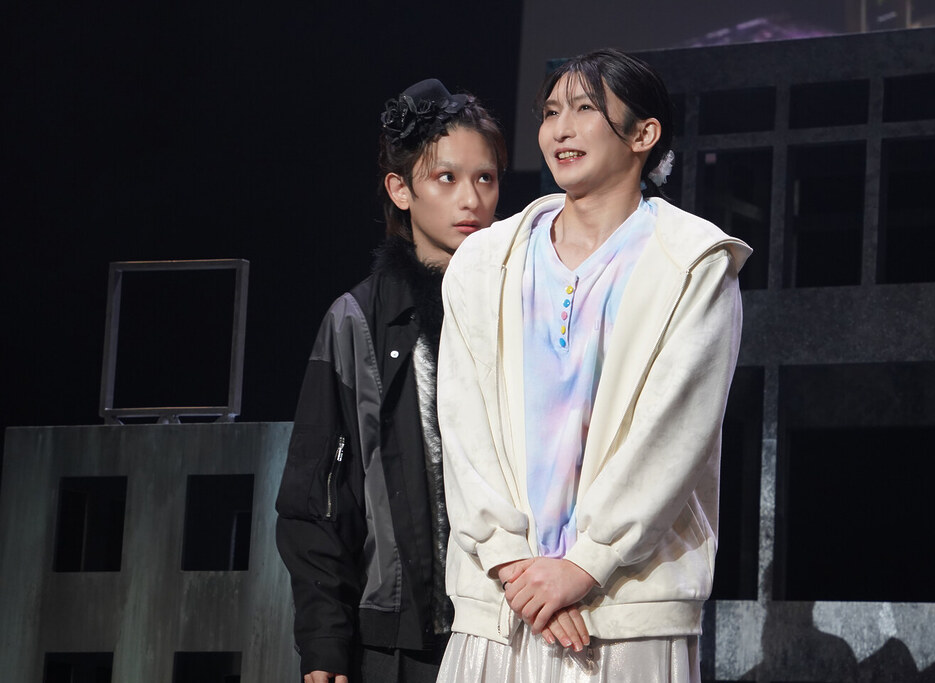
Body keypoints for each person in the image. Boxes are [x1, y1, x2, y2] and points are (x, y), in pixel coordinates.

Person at [435, 49, 751, 681]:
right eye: (551, 112)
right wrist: (516, 568)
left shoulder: (693, 263)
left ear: (643, 134)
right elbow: (463, 425)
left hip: (624, 608)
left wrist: (585, 564)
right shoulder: (484, 261)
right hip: (502, 604)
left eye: (584, 109)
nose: (561, 129)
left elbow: (674, 435)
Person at [276, 78, 506, 683]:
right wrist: (324, 642)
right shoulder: (356, 321)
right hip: (396, 642)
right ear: (400, 190)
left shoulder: (522, 310)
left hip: (512, 628)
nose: (471, 200)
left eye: (486, 178)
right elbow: (316, 499)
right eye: (446, 178)